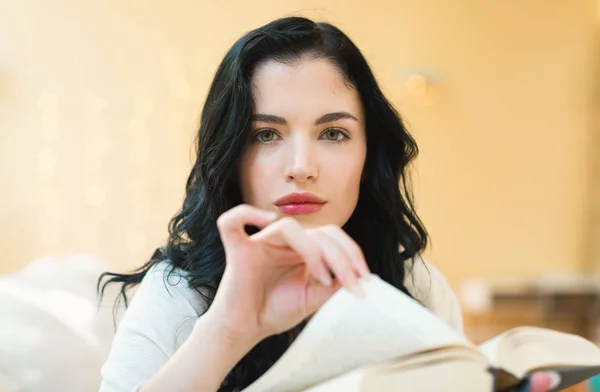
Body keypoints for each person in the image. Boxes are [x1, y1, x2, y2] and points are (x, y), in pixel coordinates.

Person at [97, 16, 559, 392]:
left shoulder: (417, 286)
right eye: (266, 135)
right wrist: (228, 330)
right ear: (231, 157)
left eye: (333, 133)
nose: (301, 166)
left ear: (367, 154)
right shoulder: (179, 290)